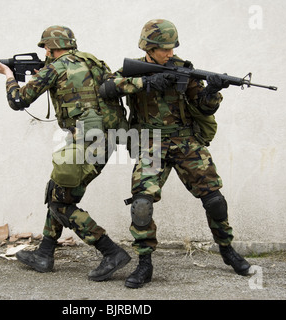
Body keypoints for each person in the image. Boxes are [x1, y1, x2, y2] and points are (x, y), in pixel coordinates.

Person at [99, 19, 251, 288]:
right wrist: (146, 84)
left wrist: (214, 90)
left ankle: (227, 249)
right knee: (141, 204)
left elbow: (204, 108)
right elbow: (106, 88)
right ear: (148, 47)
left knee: (214, 199)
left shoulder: (185, 70)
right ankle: (145, 263)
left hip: (185, 141)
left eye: (172, 48)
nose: (169, 53)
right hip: (150, 142)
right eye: (164, 49)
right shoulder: (130, 69)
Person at [0, 25, 131, 281]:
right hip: (108, 139)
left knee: (60, 201)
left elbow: (18, 101)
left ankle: (110, 251)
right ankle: (45, 254)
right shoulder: (95, 62)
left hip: (86, 143)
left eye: (45, 48)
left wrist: (8, 75)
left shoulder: (54, 68)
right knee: (57, 189)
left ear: (49, 47)